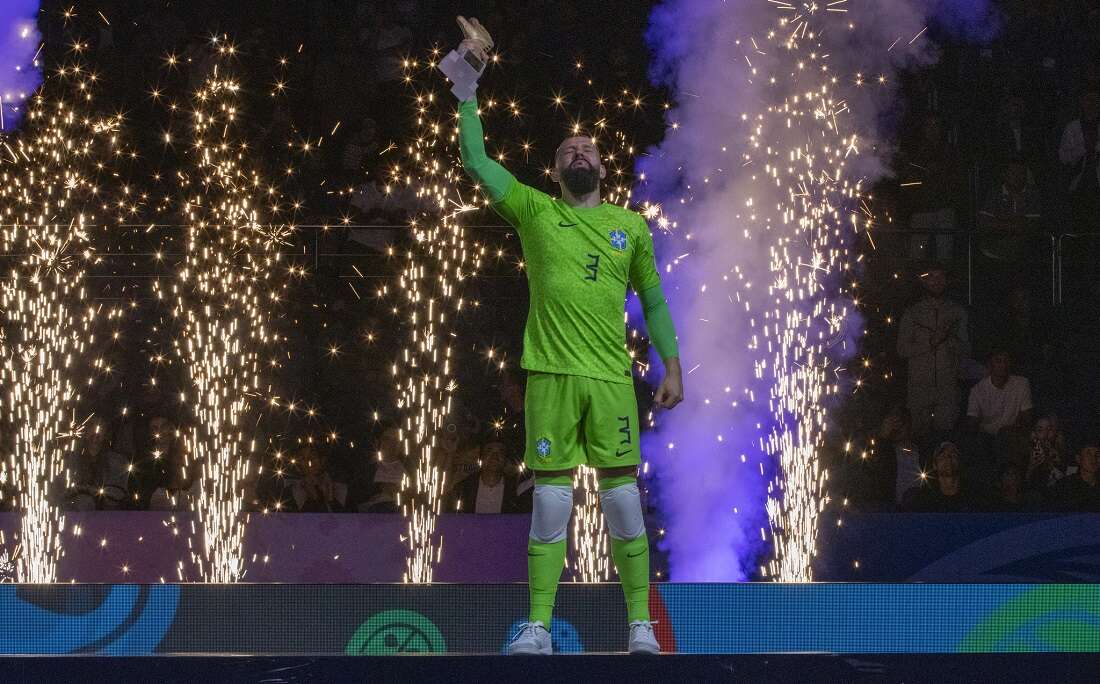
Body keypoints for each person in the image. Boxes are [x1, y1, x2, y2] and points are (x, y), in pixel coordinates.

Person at [454, 16, 683, 655]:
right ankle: (538, 627)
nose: (578, 153)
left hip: (611, 380)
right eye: (566, 151)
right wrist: (469, 79)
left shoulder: (630, 227)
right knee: (551, 509)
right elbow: (475, 159)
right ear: (554, 172)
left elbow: (656, 299)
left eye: (588, 149)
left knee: (624, 509)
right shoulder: (534, 210)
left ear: (604, 167)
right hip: (550, 377)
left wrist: (673, 364)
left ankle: (641, 626)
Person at [897, 264, 969, 443]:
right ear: (925, 281)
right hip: (919, 388)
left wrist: (948, 340)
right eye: (932, 277)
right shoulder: (912, 313)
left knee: (945, 439)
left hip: (947, 389)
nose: (936, 281)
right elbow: (902, 349)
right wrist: (930, 342)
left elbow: (966, 348)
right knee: (919, 440)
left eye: (941, 277)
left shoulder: (957, 312)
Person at [449, 440, 533, 513]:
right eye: (489, 451)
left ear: (505, 459)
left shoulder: (515, 489)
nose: (495, 457)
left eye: (500, 452)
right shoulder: (463, 488)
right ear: (481, 457)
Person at [966, 350, 1034, 437]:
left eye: (1006, 361)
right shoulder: (977, 391)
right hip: (987, 438)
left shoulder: (1022, 383)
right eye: (998, 361)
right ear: (990, 365)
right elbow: (972, 421)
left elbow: (1027, 416)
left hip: (1012, 436)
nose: (1003, 365)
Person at [900, 441, 979, 512]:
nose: (948, 459)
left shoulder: (975, 496)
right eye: (942, 456)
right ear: (935, 465)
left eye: (953, 455)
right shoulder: (924, 498)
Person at [1043, 444, 1100, 512]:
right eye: (1089, 454)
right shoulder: (1065, 486)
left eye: (1097, 454)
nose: (1093, 458)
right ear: (1078, 459)